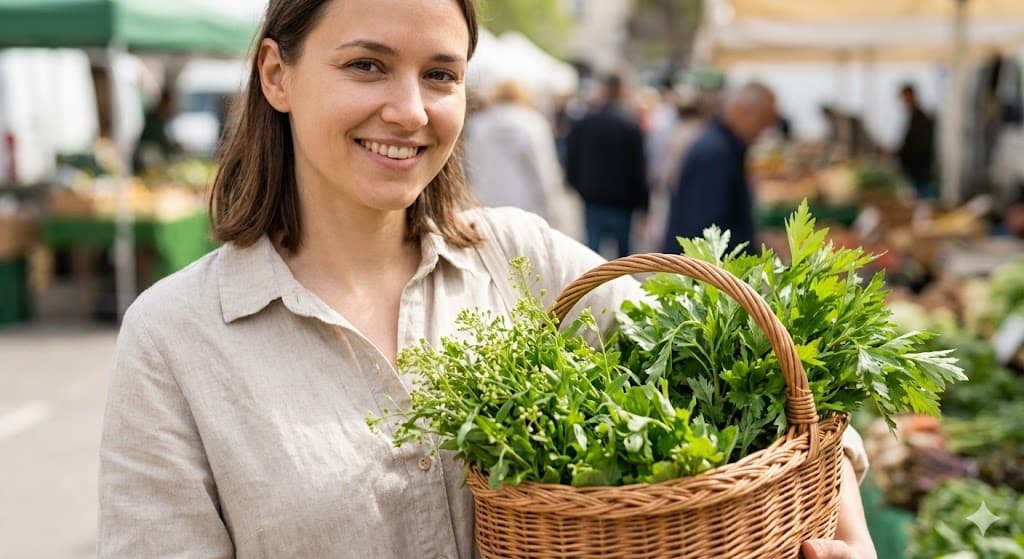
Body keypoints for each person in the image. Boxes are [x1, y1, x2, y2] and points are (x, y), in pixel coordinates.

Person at [97, 2, 876, 558]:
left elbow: (774, 383)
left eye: (441, 74)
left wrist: (848, 532)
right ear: (277, 74)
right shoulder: (178, 335)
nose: (409, 109)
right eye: (367, 65)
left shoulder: (521, 259)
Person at [661, 82, 777, 254]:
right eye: (763, 120)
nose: (764, 129)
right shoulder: (715, 153)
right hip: (700, 270)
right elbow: (705, 227)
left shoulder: (722, 146)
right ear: (742, 112)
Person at [566, 73, 649, 258]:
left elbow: (572, 158)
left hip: (594, 198)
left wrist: (576, 186)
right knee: (622, 263)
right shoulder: (629, 124)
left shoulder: (587, 122)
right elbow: (639, 168)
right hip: (622, 203)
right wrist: (644, 204)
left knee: (591, 258)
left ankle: (593, 288)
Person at [463, 80, 564, 223]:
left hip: (485, 202)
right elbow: (544, 169)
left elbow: (469, 165)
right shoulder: (534, 123)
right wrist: (551, 206)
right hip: (526, 207)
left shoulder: (479, 124)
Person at [896, 83, 936, 199]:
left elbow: (917, 147)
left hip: (920, 173)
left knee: (922, 202)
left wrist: (899, 153)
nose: (904, 103)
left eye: (905, 98)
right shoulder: (914, 117)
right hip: (916, 173)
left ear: (912, 96)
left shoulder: (921, 119)